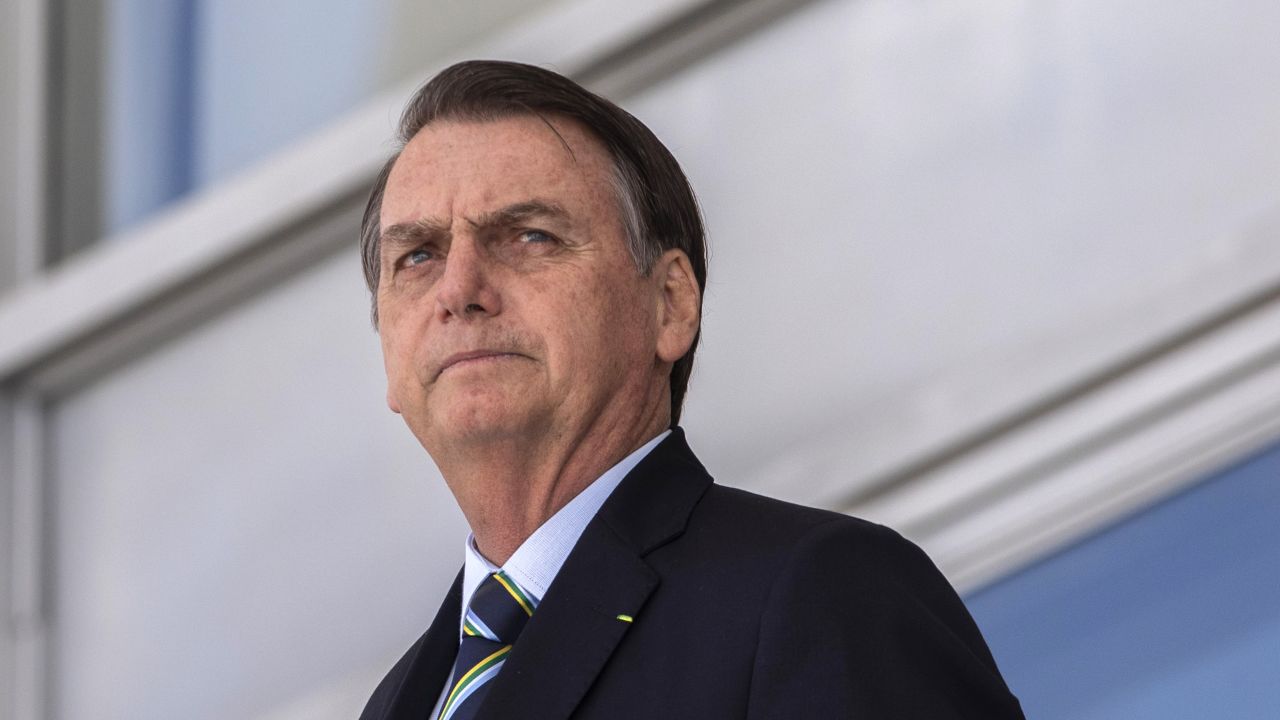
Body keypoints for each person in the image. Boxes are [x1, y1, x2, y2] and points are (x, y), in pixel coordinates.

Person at [357, 59, 1024, 720]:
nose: (459, 290)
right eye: (417, 256)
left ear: (670, 305)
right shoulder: (397, 702)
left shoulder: (822, 592)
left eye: (529, 236)